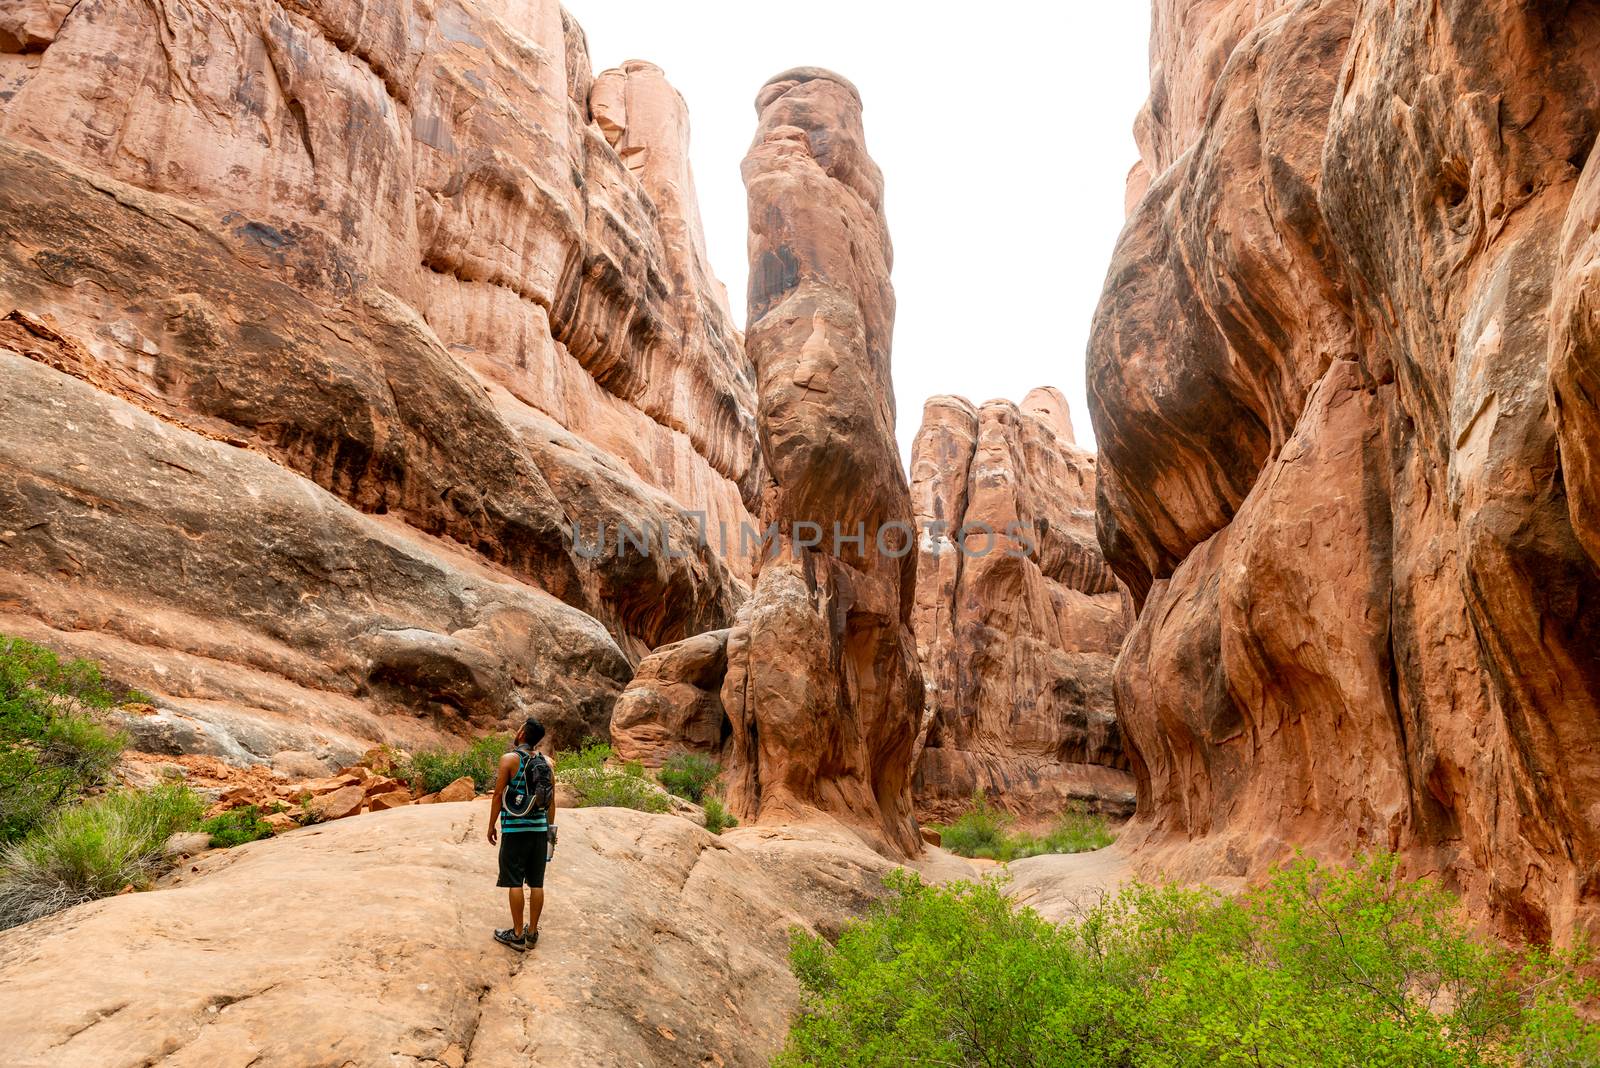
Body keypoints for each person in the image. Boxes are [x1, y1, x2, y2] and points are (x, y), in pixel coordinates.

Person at [487, 717, 556, 951]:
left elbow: (497, 795)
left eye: (519, 729)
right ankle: (532, 933)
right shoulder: (547, 763)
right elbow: (551, 800)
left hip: (515, 830)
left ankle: (517, 935)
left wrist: (491, 825)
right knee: (537, 883)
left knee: (514, 881)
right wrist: (549, 831)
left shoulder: (509, 760)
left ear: (522, 735)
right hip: (538, 831)